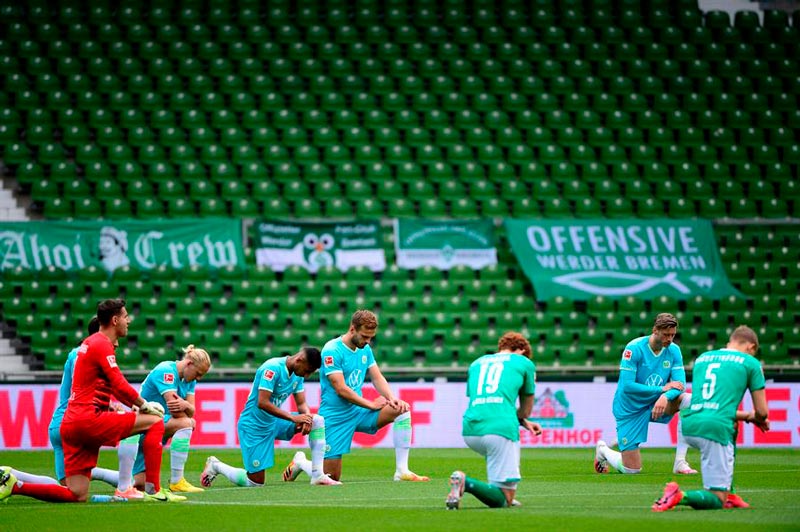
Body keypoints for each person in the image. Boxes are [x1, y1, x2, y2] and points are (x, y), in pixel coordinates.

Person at [0, 299, 182, 503]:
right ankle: (153, 490)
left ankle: (15, 486)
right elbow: (119, 383)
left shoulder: (88, 344)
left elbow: (112, 387)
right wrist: (144, 405)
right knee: (155, 421)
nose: (128, 320)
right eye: (125, 316)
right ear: (115, 320)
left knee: (76, 494)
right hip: (88, 419)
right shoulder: (100, 343)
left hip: (71, 423)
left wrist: (133, 405)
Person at [652, 326, 770, 512]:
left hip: (689, 424)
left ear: (730, 341)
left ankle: (730, 493)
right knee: (716, 500)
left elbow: (705, 404)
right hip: (713, 430)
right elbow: (762, 412)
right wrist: (757, 417)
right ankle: (680, 495)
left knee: (733, 423)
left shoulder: (703, 359)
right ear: (751, 347)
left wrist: (746, 417)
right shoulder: (750, 363)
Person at [5, 317, 120, 491]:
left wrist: (107, 403)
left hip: (59, 424)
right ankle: (129, 482)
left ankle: (12, 475)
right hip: (74, 422)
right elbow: (80, 384)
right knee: (129, 426)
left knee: (67, 487)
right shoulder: (82, 353)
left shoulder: (80, 353)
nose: (116, 342)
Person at [314, 310, 428, 482]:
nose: (367, 341)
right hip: (335, 416)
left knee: (402, 409)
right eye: (364, 336)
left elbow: (376, 376)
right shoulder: (332, 350)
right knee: (331, 478)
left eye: (371, 337)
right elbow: (341, 389)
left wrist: (391, 398)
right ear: (352, 329)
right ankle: (302, 463)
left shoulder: (365, 349)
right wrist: (370, 405)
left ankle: (402, 471)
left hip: (358, 412)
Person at [200, 347, 340, 487]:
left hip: (275, 422)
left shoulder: (298, 375)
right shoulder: (272, 368)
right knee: (255, 482)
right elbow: (262, 402)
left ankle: (316, 475)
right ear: (299, 360)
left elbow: (302, 403)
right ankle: (216, 465)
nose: (307, 375)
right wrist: (293, 418)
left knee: (317, 420)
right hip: (254, 426)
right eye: (308, 370)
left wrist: (307, 417)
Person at [446, 332, 542, 510]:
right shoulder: (524, 362)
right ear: (521, 350)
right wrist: (522, 418)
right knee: (504, 499)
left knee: (496, 464)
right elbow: (526, 410)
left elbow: (486, 400)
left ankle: (493, 489)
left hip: (471, 430)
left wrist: (522, 422)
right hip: (500, 430)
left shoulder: (477, 363)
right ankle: (465, 483)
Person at [595, 313, 696, 475]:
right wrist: (661, 390)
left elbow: (680, 385)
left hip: (657, 403)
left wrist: (664, 396)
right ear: (655, 330)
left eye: (673, 335)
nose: (669, 339)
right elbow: (627, 386)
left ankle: (680, 462)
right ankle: (603, 450)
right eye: (666, 335)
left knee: (689, 400)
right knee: (631, 470)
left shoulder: (674, 350)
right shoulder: (634, 348)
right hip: (630, 408)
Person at [117, 345, 211, 495]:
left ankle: (97, 474)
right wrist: (186, 411)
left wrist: (186, 405)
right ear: (189, 364)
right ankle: (176, 481)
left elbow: (191, 410)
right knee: (186, 424)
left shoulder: (189, 380)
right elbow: (177, 410)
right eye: (198, 373)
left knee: (141, 486)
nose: (198, 378)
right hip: (143, 426)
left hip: (158, 426)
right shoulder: (166, 371)